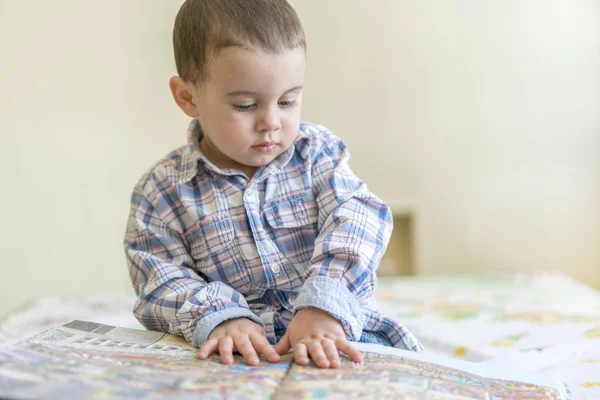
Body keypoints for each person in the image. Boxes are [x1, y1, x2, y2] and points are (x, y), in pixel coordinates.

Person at [124, 0, 423, 369]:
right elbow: (158, 277)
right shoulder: (163, 191)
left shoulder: (316, 154)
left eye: (287, 101)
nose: (271, 122)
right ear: (188, 97)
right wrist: (223, 317)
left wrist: (323, 303)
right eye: (246, 106)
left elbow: (361, 217)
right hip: (234, 354)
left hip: (336, 332)